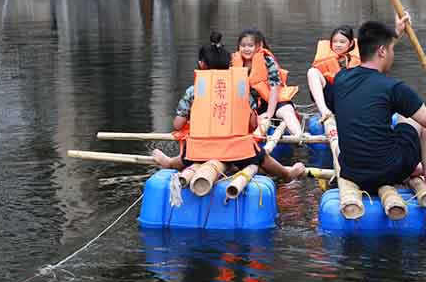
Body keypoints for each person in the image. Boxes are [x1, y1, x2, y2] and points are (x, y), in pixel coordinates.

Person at [331, 19, 426, 193]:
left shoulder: (341, 78)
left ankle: (416, 167)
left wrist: (396, 34)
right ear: (382, 51)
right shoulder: (393, 88)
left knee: (402, 119)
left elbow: (376, 53)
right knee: (421, 121)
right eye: (392, 49)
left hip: (352, 172)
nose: (393, 54)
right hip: (386, 171)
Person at [152, 31, 305, 181]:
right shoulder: (241, 89)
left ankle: (171, 163)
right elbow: (252, 126)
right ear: (230, 64)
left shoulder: (194, 90)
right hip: (236, 151)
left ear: (201, 64)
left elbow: (178, 125)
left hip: (199, 150)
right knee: (261, 157)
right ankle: (286, 173)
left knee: (188, 153)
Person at [231, 28, 303, 136]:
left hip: (274, 102)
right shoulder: (233, 62)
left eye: (250, 45)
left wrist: (269, 114)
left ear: (258, 46)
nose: (246, 49)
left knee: (287, 112)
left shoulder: (268, 61)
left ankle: (299, 137)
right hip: (253, 107)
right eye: (243, 45)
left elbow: (275, 88)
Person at [307, 24, 359, 123]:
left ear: (351, 43)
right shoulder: (326, 57)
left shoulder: (360, 58)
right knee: (312, 72)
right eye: (334, 41)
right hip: (332, 98)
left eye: (342, 42)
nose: (338, 44)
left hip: (352, 100)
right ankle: (324, 111)